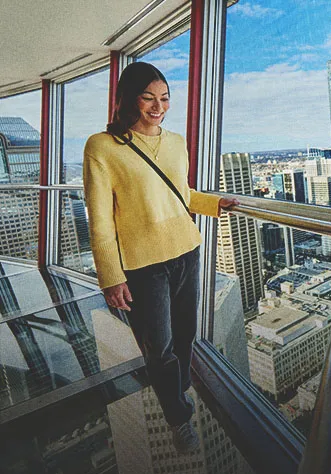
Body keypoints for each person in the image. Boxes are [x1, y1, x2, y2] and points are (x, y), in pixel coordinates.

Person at [83, 61, 238, 453]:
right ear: (129, 99)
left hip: (187, 248)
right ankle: (178, 417)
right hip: (142, 264)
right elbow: (100, 220)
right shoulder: (103, 146)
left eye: (165, 98)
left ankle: (177, 390)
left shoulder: (174, 142)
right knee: (160, 346)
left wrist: (214, 202)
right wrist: (110, 276)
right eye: (148, 97)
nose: (158, 106)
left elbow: (181, 194)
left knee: (185, 336)